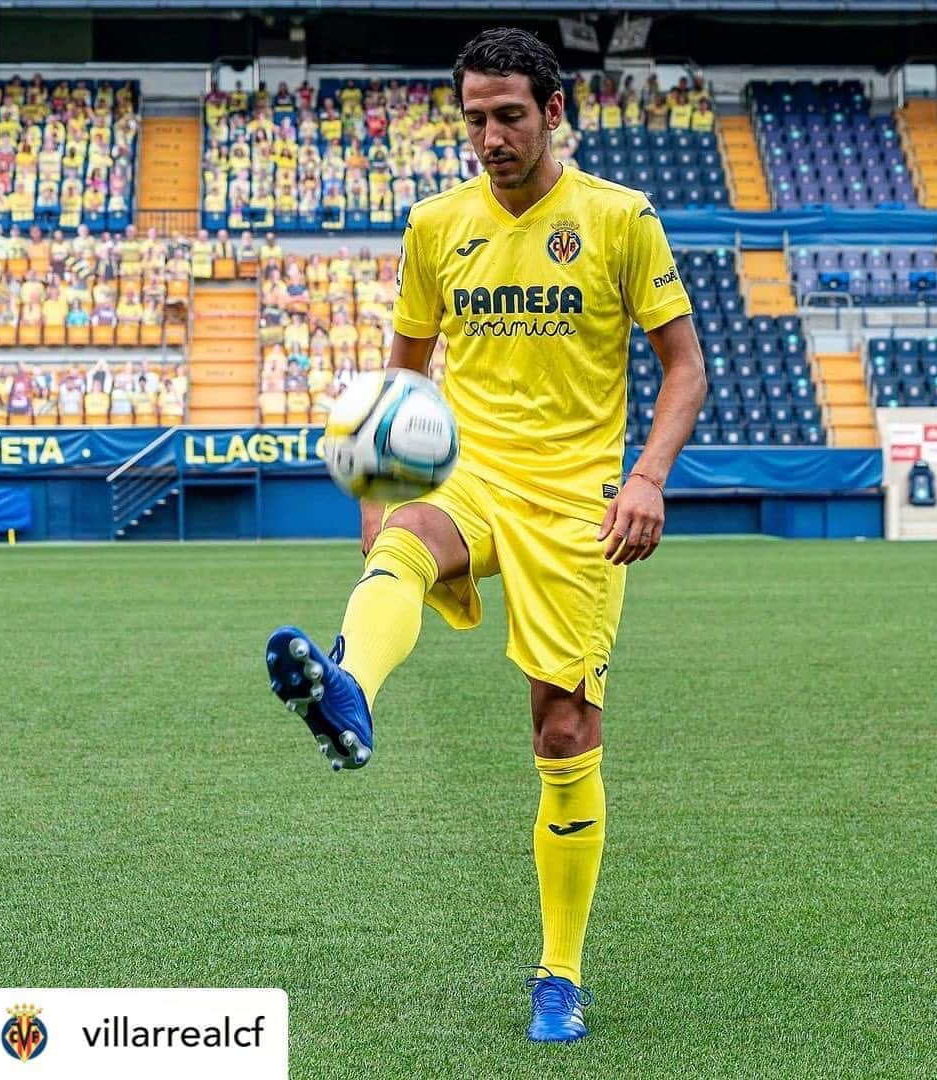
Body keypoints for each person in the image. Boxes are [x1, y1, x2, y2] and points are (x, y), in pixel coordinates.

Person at [263, 29, 705, 1045]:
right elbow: (405, 373)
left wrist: (647, 478)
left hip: (579, 499)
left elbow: (684, 368)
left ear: (555, 112)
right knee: (403, 543)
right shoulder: (435, 226)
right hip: (472, 472)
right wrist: (376, 495)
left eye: (510, 115)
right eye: (474, 118)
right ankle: (349, 694)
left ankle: (560, 972)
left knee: (562, 730)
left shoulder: (619, 220)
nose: (491, 136)